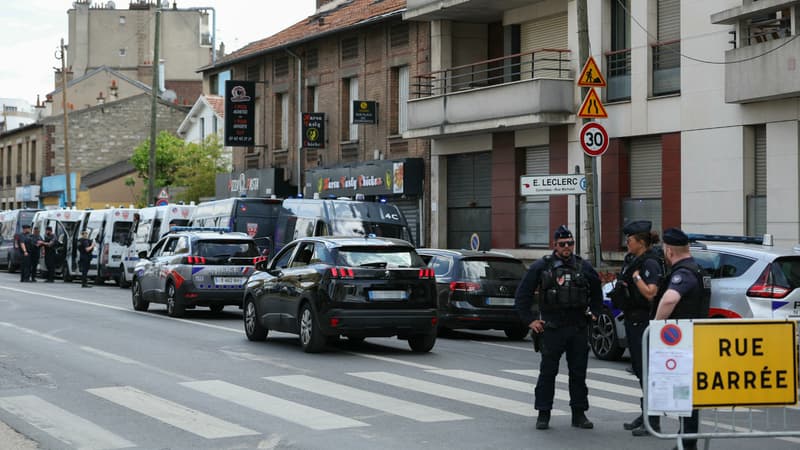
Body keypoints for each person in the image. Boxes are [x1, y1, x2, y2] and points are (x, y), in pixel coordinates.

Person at [514, 225, 603, 430]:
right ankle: (543, 414)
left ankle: (579, 414)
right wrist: (530, 320)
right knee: (548, 373)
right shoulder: (541, 266)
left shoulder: (583, 266)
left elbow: (597, 291)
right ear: (554, 245)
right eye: (562, 244)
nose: (566, 247)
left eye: (570, 243)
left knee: (578, 374)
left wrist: (595, 312)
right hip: (552, 328)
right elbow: (522, 295)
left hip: (578, 327)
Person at [653, 227, 711, 450]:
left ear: (669, 251)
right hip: (695, 338)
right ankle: (686, 440)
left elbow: (670, 299)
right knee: (687, 395)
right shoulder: (699, 270)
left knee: (685, 394)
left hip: (682, 342)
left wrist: (656, 325)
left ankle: (687, 442)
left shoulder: (683, 273)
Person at [609, 220, 664, 436]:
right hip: (632, 320)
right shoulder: (633, 259)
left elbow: (651, 293)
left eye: (630, 239)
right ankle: (646, 415)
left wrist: (636, 278)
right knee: (641, 370)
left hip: (643, 322)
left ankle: (652, 421)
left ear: (641, 242)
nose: (627, 243)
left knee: (646, 371)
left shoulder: (649, 263)